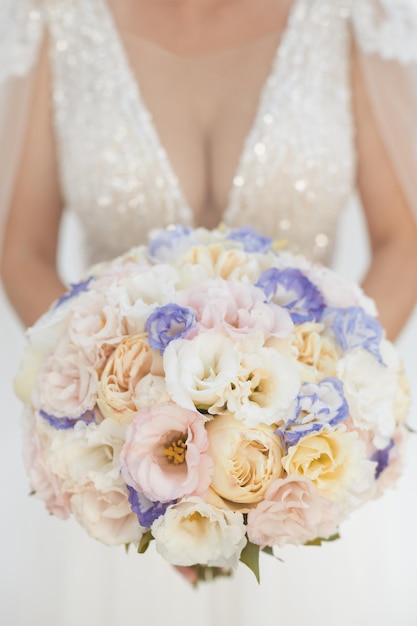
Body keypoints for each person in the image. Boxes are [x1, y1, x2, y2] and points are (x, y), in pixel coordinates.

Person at [0, 1, 417, 625]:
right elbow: (21, 247)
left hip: (300, 485)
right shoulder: (61, 21)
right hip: (120, 482)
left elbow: (403, 238)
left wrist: (323, 410)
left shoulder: (344, 16)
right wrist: (115, 427)